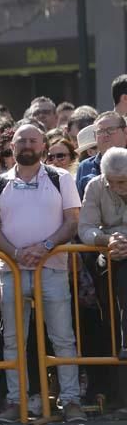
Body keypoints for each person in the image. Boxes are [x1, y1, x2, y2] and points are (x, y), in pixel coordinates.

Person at [0, 123, 86, 423]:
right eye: (21, 141)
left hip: (52, 268)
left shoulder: (61, 178)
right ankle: (17, 402)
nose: (27, 145)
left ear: (43, 145)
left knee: (63, 338)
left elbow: (72, 221)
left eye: (32, 140)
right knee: (14, 340)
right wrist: (16, 254)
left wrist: (45, 247)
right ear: (11, 147)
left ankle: (70, 401)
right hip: (11, 270)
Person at [78, 147, 127, 360]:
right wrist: (108, 241)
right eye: (111, 181)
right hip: (108, 251)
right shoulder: (95, 186)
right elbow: (85, 228)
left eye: (122, 181)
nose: (116, 187)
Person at [76, 112, 127, 198]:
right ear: (95, 137)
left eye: (111, 129)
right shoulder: (85, 166)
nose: (105, 135)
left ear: (125, 132)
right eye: (100, 131)